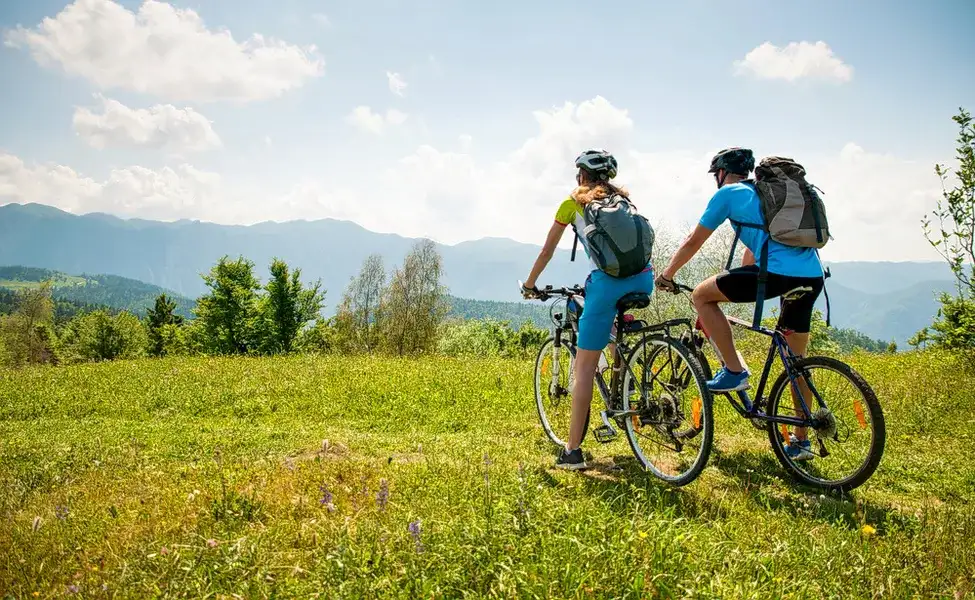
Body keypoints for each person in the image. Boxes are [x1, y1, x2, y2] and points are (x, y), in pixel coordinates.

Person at [654, 147, 825, 461]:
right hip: (812, 276)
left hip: (777, 274)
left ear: (720, 173)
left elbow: (694, 240)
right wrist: (738, 277)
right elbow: (755, 250)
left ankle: (734, 370)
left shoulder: (728, 194)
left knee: (701, 296)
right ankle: (801, 441)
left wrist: (668, 274)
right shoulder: (764, 195)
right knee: (796, 360)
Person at [521, 149, 654, 470]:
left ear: (581, 175)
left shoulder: (572, 204)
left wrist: (530, 284)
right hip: (644, 279)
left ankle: (572, 452)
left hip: (607, 284)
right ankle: (625, 383)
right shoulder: (623, 201)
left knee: (584, 370)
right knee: (612, 325)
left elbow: (546, 251)